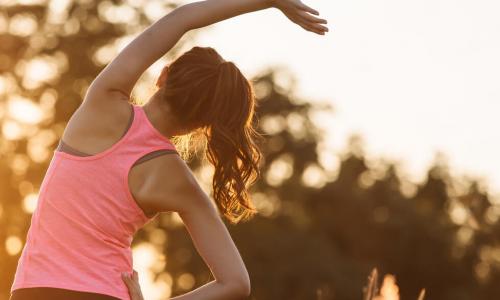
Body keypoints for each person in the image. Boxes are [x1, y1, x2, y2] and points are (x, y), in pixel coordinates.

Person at [9, 0, 328, 299]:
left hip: (33, 290)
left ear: (164, 75)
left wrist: (267, 1)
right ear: (204, 124)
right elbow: (236, 283)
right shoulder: (179, 180)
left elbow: (181, 19)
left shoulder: (104, 103)